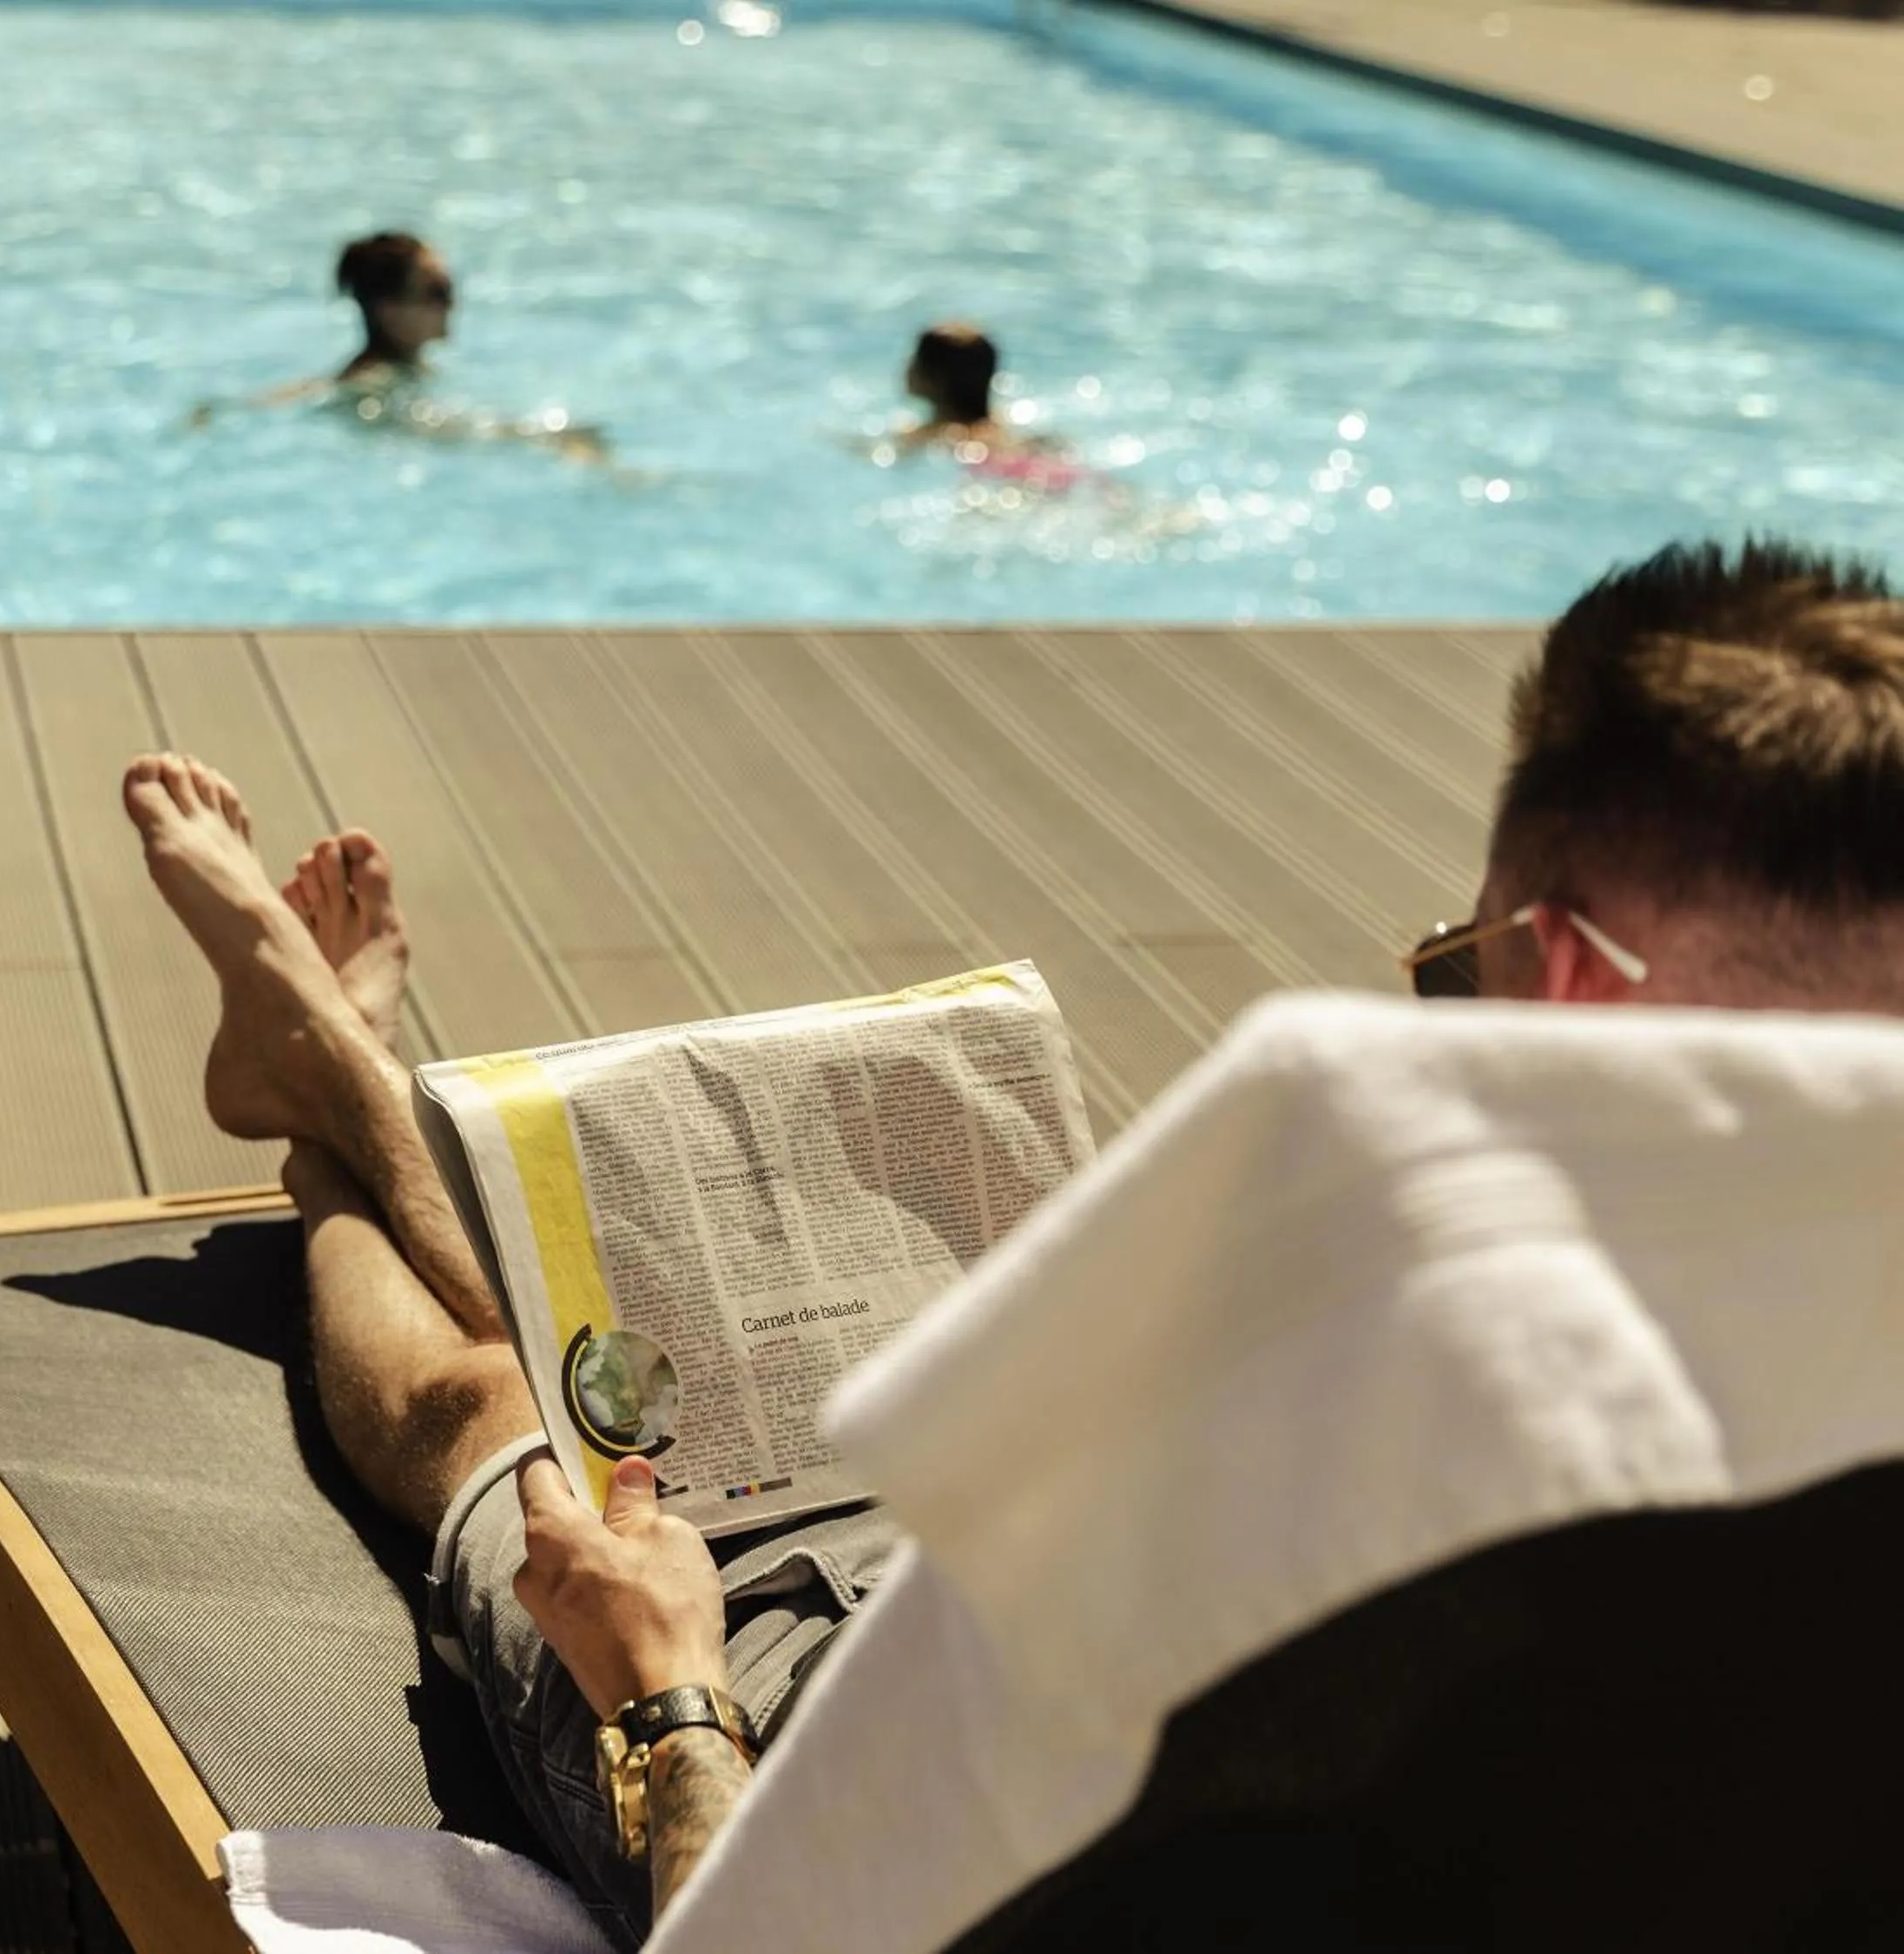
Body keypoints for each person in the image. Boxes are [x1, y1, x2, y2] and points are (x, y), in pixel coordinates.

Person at [117, 534, 1904, 1946]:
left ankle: (324, 1085)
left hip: (820, 1737)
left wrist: (664, 1690)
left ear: (1577, 970)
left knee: (503, 1406)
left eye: (1469, 974)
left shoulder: (1398, 1477)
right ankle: (334, 1060)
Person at [194, 231, 606, 461]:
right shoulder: (376, 381)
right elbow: (421, 428)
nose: (452, 304)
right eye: (437, 292)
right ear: (389, 310)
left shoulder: (402, 372)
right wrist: (534, 435)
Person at [878, 320, 1089, 492]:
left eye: (914, 358)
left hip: (996, 479)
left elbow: (883, 454)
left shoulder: (933, 434)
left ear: (929, 378)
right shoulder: (1007, 424)